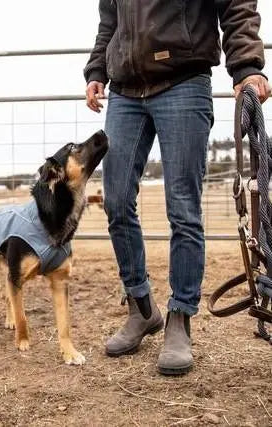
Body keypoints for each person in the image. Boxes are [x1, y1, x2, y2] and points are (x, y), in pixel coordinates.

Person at [84, 0, 270, 375]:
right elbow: (111, 18)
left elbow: (236, 5)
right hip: (124, 91)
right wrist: (97, 69)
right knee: (116, 201)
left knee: (182, 208)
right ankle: (141, 308)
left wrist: (246, 67)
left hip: (183, 81)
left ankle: (180, 318)